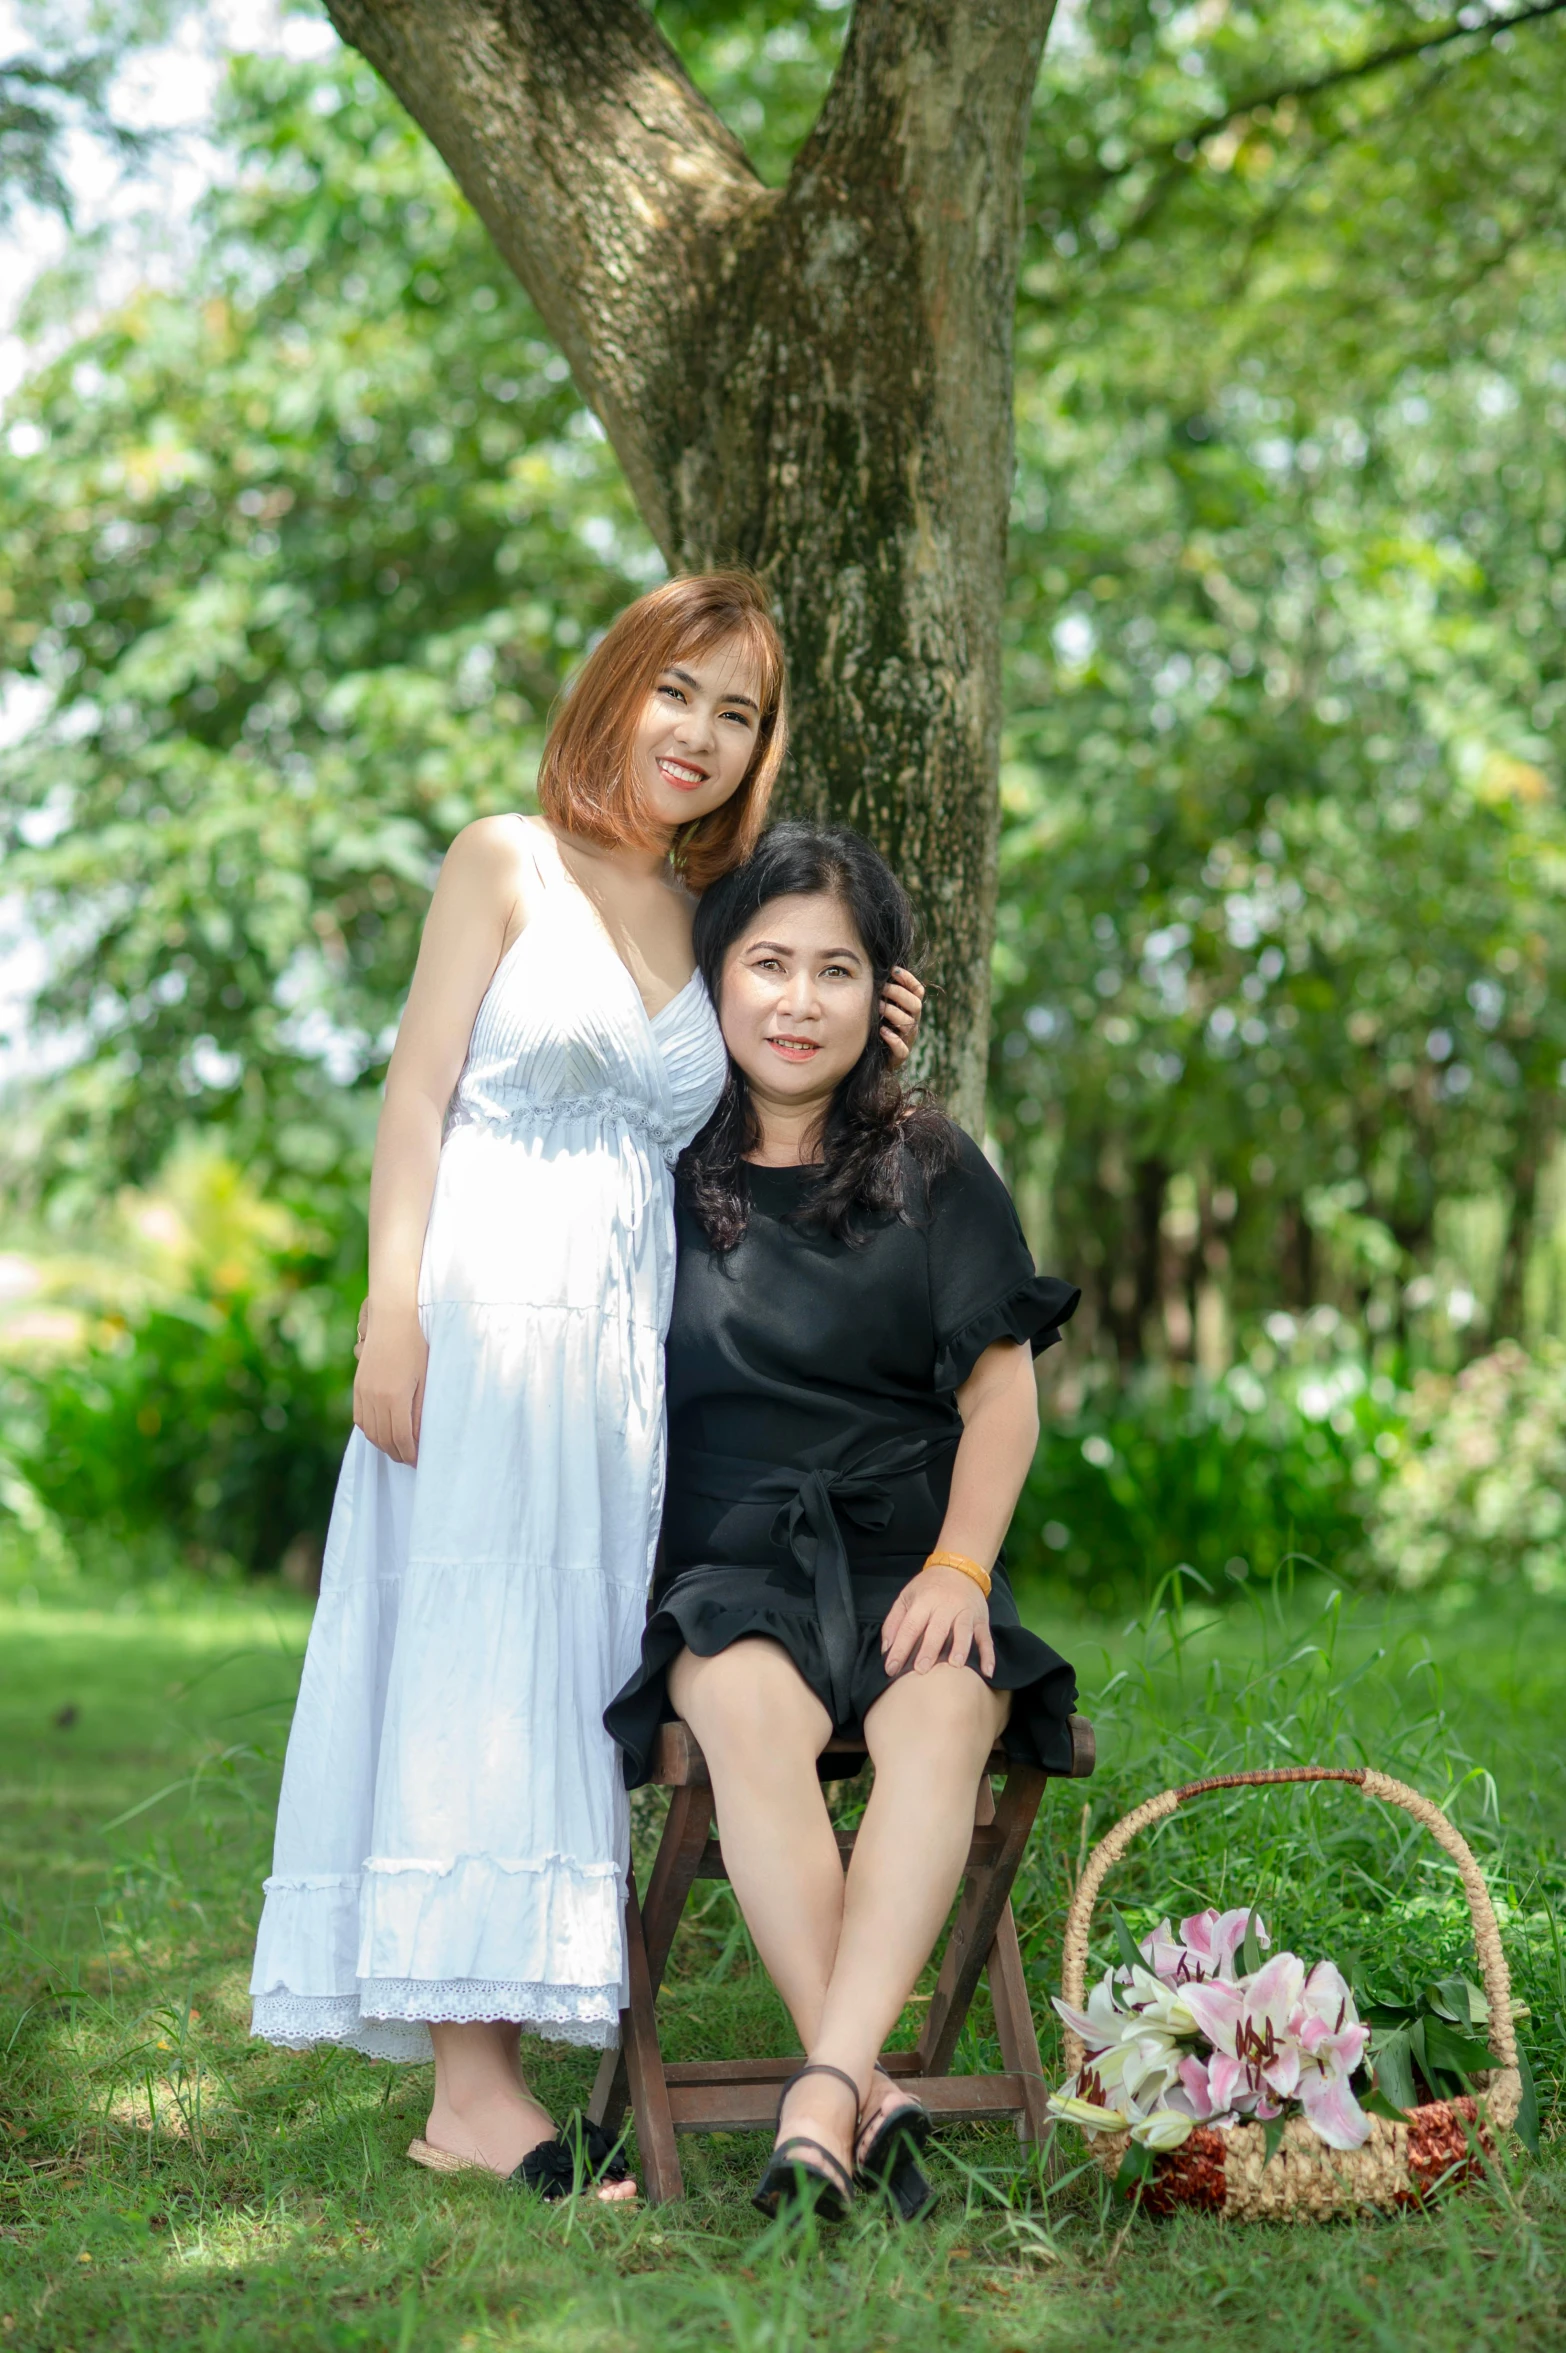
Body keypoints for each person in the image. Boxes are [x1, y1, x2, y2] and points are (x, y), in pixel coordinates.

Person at [249, 575, 922, 2201]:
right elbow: (415, 1094)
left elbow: (764, 1087)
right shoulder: (505, 859)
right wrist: (386, 1314)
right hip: (479, 1317)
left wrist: (879, 1032)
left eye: (738, 713)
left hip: (627, 1357)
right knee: (462, 1641)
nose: (698, 734)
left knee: (559, 1664)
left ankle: (519, 2069)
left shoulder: (703, 920)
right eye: (677, 692)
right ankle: (470, 2088)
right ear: (618, 688)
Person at [605, 823, 1079, 2222]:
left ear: (880, 993)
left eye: (833, 969)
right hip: (727, 1569)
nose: (796, 1001)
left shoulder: (925, 1157)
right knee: (747, 1714)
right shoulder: (657, 1167)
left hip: (904, 1556)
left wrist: (959, 1565)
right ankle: (860, 2094)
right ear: (716, 979)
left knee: (944, 1705)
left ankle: (822, 2096)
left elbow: (1003, 1400)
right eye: (767, 964)